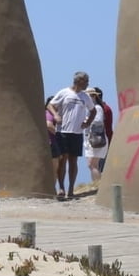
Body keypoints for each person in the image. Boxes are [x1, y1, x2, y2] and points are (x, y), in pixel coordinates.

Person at [47, 72, 95, 200]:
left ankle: (71, 189)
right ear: (79, 81)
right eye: (86, 81)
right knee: (63, 161)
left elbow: (93, 110)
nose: (87, 84)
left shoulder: (85, 97)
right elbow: (50, 105)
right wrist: (56, 115)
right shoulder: (64, 92)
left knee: (73, 161)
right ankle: (61, 187)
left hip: (77, 133)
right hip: (63, 131)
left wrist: (88, 122)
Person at [83, 88, 110, 183]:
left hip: (95, 139)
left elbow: (97, 121)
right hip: (91, 139)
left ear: (93, 96)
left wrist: (86, 121)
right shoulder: (91, 109)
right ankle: (96, 183)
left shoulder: (97, 108)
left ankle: (98, 184)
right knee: (94, 164)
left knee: (91, 164)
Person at [45, 98, 60, 163]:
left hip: (50, 143)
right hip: (51, 143)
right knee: (54, 171)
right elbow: (48, 125)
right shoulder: (49, 113)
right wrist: (59, 134)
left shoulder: (45, 113)